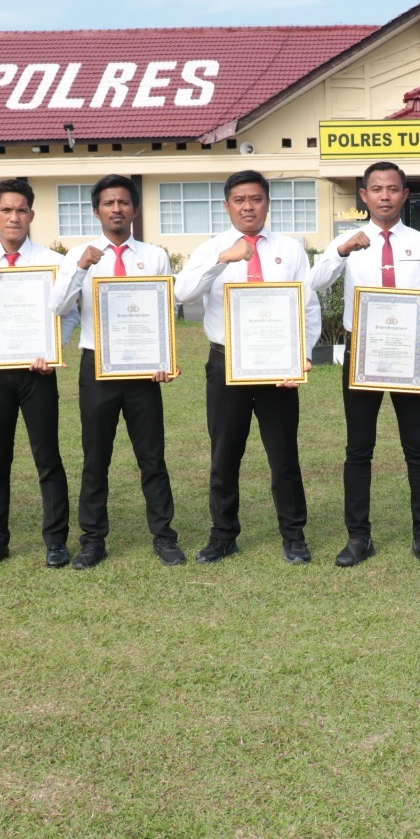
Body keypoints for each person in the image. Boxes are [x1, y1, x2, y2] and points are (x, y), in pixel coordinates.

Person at [175, 169, 321, 564]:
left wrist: (303, 354)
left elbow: (307, 305)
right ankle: (223, 534)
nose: (248, 206)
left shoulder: (290, 249)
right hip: (227, 362)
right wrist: (222, 260)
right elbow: (183, 292)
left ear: (267, 203)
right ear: (227, 206)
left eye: (255, 198)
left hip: (278, 365)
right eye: (239, 200)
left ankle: (293, 535)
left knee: (283, 453)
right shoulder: (212, 248)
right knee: (225, 453)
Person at [309, 161, 420, 567]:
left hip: (411, 352)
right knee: (358, 449)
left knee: (417, 449)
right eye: (376, 189)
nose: (385, 195)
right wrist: (341, 250)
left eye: (393, 188)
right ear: (364, 196)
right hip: (363, 353)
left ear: (405, 195)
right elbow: (316, 282)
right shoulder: (346, 241)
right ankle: (358, 537)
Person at [52, 174, 183, 570]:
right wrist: (80, 268)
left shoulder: (153, 255)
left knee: (152, 457)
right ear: (97, 211)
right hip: (98, 365)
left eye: (124, 202)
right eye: (108, 203)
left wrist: (164, 359)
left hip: (144, 368)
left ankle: (164, 535)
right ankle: (93, 540)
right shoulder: (78, 254)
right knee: (96, 457)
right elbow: (58, 307)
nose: (116, 209)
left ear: (135, 210)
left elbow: (164, 311)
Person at [0, 178, 77, 570]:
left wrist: (53, 350)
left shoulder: (54, 263)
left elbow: (68, 313)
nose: (14, 217)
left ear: (32, 215)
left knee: (48, 458)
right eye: (6, 210)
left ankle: (55, 541)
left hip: (37, 372)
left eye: (21, 210)